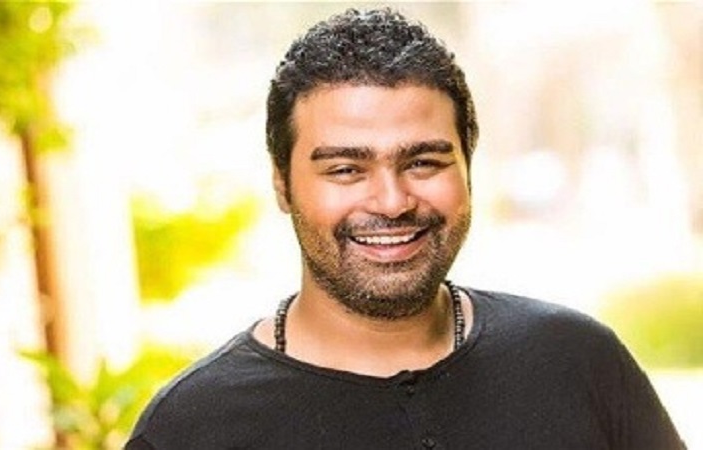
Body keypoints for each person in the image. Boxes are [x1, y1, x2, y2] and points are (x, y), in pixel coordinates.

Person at [126, 8, 685, 449]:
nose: (392, 202)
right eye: (346, 169)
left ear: (467, 167)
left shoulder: (577, 362)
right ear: (282, 184)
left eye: (423, 162)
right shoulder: (191, 430)